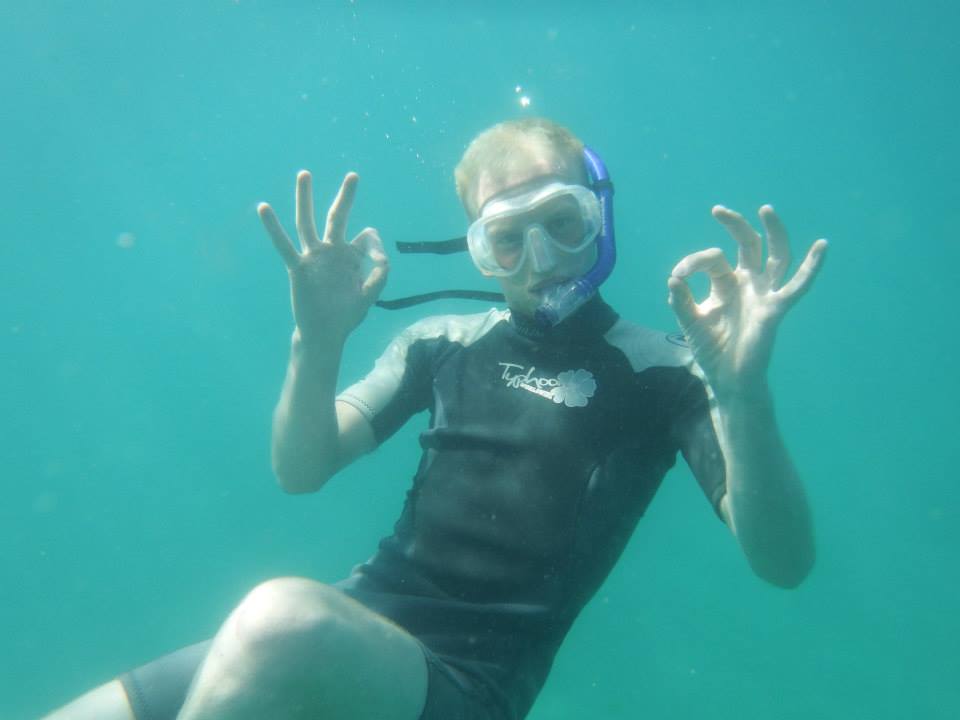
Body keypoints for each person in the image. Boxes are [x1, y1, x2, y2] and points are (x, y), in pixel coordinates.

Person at [42, 117, 827, 720]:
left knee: (279, 618)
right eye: (507, 240)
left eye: (563, 221)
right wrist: (316, 340)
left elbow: (783, 562)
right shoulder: (440, 341)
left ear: (602, 215)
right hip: (354, 627)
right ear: (477, 248)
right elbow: (301, 467)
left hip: (468, 685)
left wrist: (743, 391)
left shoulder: (673, 372)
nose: (541, 258)